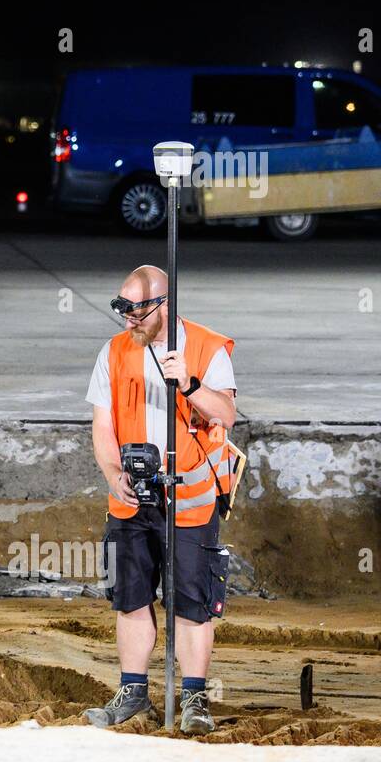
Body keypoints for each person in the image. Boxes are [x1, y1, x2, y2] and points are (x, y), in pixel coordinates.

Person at [83, 264, 237, 735]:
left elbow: (227, 413)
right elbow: (102, 425)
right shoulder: (112, 352)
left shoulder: (208, 348)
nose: (128, 317)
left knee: (191, 601)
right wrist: (113, 475)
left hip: (189, 498)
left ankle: (194, 698)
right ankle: (132, 693)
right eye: (122, 307)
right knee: (129, 598)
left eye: (136, 309)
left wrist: (188, 383)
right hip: (132, 500)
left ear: (164, 305)